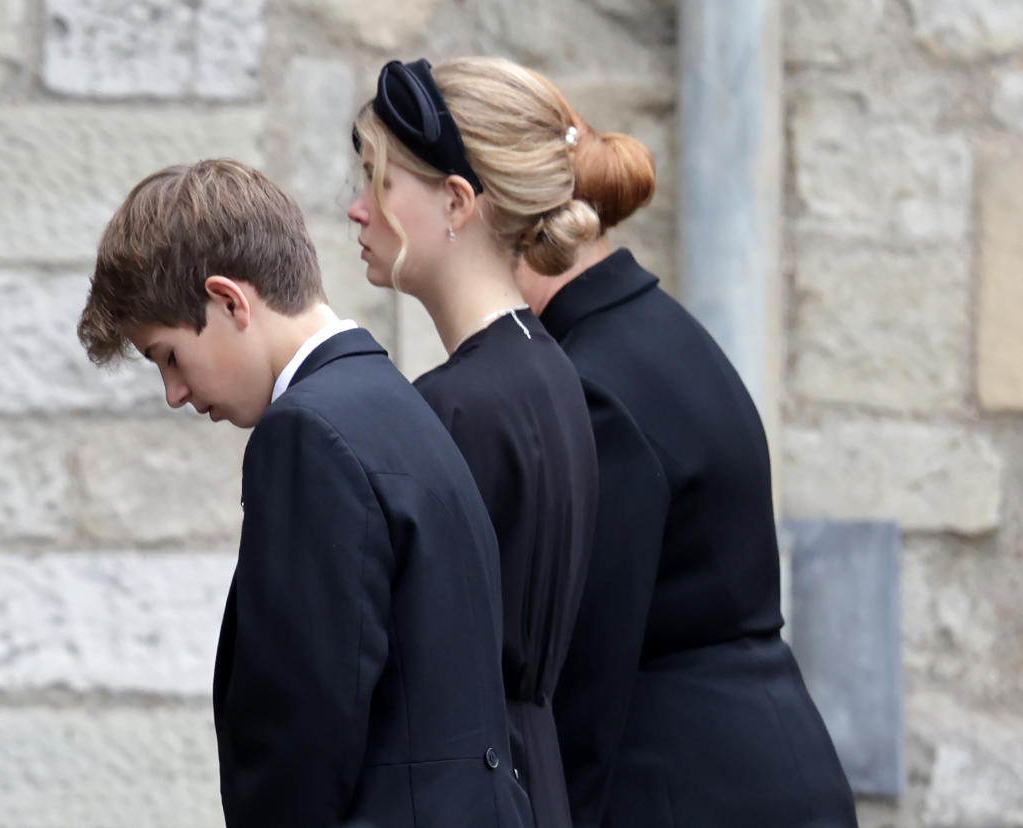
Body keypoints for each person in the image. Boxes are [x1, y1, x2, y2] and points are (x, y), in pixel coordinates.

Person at [77, 159, 533, 828]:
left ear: (231, 301)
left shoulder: (307, 433)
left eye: (168, 355)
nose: (174, 394)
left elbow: (304, 724)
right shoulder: (394, 404)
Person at [511, 79, 859, 826]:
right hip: (761, 763)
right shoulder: (651, 328)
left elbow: (586, 682)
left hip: (690, 787)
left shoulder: (596, 382)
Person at [348, 57, 599, 828]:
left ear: (457, 201)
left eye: (379, 180)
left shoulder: (458, 408)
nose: (357, 210)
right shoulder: (547, 371)